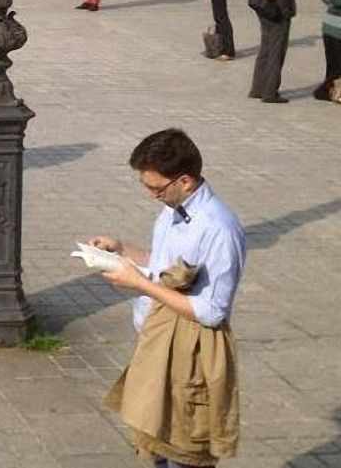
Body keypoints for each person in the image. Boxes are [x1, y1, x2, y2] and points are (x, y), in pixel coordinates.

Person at [89, 128, 245, 468]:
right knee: (154, 445)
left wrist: (140, 285)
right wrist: (121, 250)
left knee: (184, 451)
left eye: (155, 187)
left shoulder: (219, 228)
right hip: (158, 343)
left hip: (192, 352)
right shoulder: (173, 208)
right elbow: (162, 265)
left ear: (185, 181)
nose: (150, 195)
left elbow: (211, 311)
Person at [247, 0, 296, 104]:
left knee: (265, 51)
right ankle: (270, 92)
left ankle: (257, 88)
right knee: (276, 53)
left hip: (263, 13)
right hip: (276, 16)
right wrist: (286, 13)